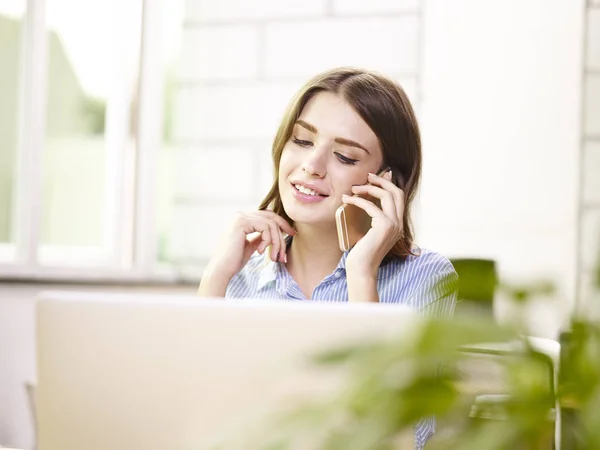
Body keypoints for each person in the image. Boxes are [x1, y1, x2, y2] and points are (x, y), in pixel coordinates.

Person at [198, 67, 458, 448]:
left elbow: (395, 438)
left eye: (344, 156)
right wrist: (216, 276)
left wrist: (362, 273)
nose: (312, 165)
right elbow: (199, 424)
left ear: (385, 181)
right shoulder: (241, 276)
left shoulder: (427, 277)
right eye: (302, 140)